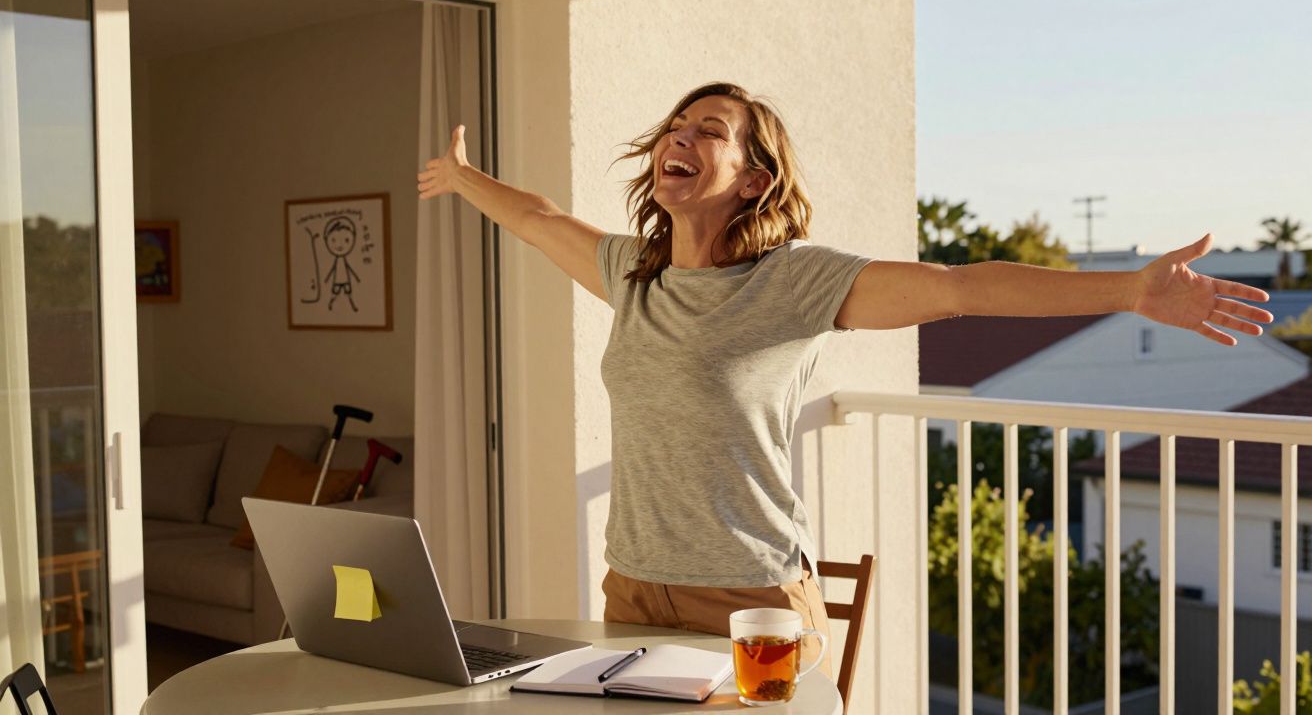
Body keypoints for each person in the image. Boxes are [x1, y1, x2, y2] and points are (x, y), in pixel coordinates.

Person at [418, 82, 1272, 675]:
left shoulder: (791, 283)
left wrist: (1128, 290)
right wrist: (462, 180)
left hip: (747, 594)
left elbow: (960, 286)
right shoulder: (631, 272)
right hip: (632, 583)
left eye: (708, 129)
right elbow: (538, 219)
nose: (679, 135)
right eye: (676, 125)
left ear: (753, 179)